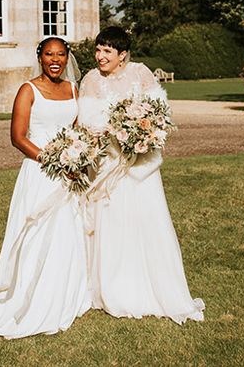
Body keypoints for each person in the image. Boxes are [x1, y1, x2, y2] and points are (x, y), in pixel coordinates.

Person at [0, 37, 91, 338]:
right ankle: (29, 294)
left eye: (61, 55)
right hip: (40, 173)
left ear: (67, 58)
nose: (55, 60)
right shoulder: (28, 90)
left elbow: (77, 130)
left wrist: (76, 157)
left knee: (67, 231)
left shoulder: (73, 89)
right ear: (40, 57)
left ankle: (65, 290)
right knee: (34, 232)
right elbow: (18, 137)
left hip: (69, 173)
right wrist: (53, 160)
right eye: (49, 54)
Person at [79, 26, 205, 323]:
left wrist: (140, 138)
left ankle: (153, 286)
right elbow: (87, 122)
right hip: (109, 165)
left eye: (107, 51)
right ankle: (113, 288)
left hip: (141, 166)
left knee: (146, 220)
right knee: (112, 224)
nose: (100, 56)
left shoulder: (141, 73)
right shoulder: (91, 80)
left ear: (123, 54)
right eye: (98, 50)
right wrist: (112, 136)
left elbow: (160, 114)